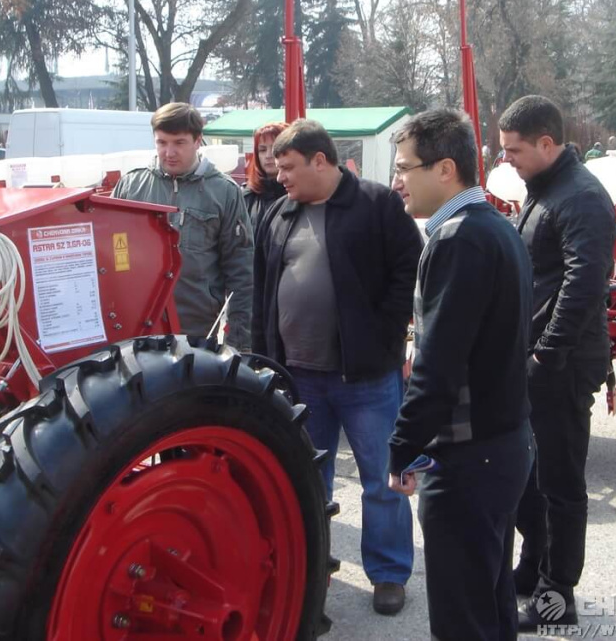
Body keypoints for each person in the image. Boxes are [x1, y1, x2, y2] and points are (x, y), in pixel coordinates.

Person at [252, 119, 422, 616]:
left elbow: (407, 273)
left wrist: (384, 334)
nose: (278, 176)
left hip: (366, 377)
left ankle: (388, 574)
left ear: (320, 161)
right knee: (308, 480)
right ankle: (313, 568)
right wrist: (262, 357)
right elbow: (261, 291)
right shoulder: (279, 215)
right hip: (298, 378)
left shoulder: (377, 205)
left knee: (381, 479)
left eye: (287, 167)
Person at [387, 108, 535, 640]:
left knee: (462, 618)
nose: (397, 180)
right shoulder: (492, 226)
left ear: (445, 168)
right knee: (489, 603)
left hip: (471, 458)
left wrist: (402, 447)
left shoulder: (457, 237)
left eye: (405, 168)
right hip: (500, 446)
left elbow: (438, 365)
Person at [498, 95, 616, 631]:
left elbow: (583, 285)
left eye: (515, 150)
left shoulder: (582, 198)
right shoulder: (544, 190)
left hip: (561, 364)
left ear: (547, 143)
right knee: (530, 478)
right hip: (537, 358)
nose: (508, 161)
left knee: (560, 483)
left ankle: (556, 594)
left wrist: (546, 353)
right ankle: (533, 566)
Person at [113, 102, 253, 348]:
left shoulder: (224, 192)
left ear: (198, 141)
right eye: (162, 143)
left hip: (199, 330)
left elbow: (240, 271)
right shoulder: (130, 187)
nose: (169, 152)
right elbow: (109, 256)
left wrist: (237, 342)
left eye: (179, 143)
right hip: (139, 327)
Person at [242, 122, 288, 232]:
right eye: (262, 150)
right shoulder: (247, 197)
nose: (268, 155)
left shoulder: (301, 194)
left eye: (275, 149)